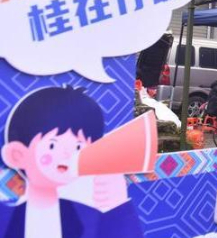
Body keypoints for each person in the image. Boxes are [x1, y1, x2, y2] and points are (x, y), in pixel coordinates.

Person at [0, 86, 144, 238]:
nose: (67, 155)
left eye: (78, 147)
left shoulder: (89, 214)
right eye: (52, 145)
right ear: (17, 155)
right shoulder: (5, 215)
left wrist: (117, 204)